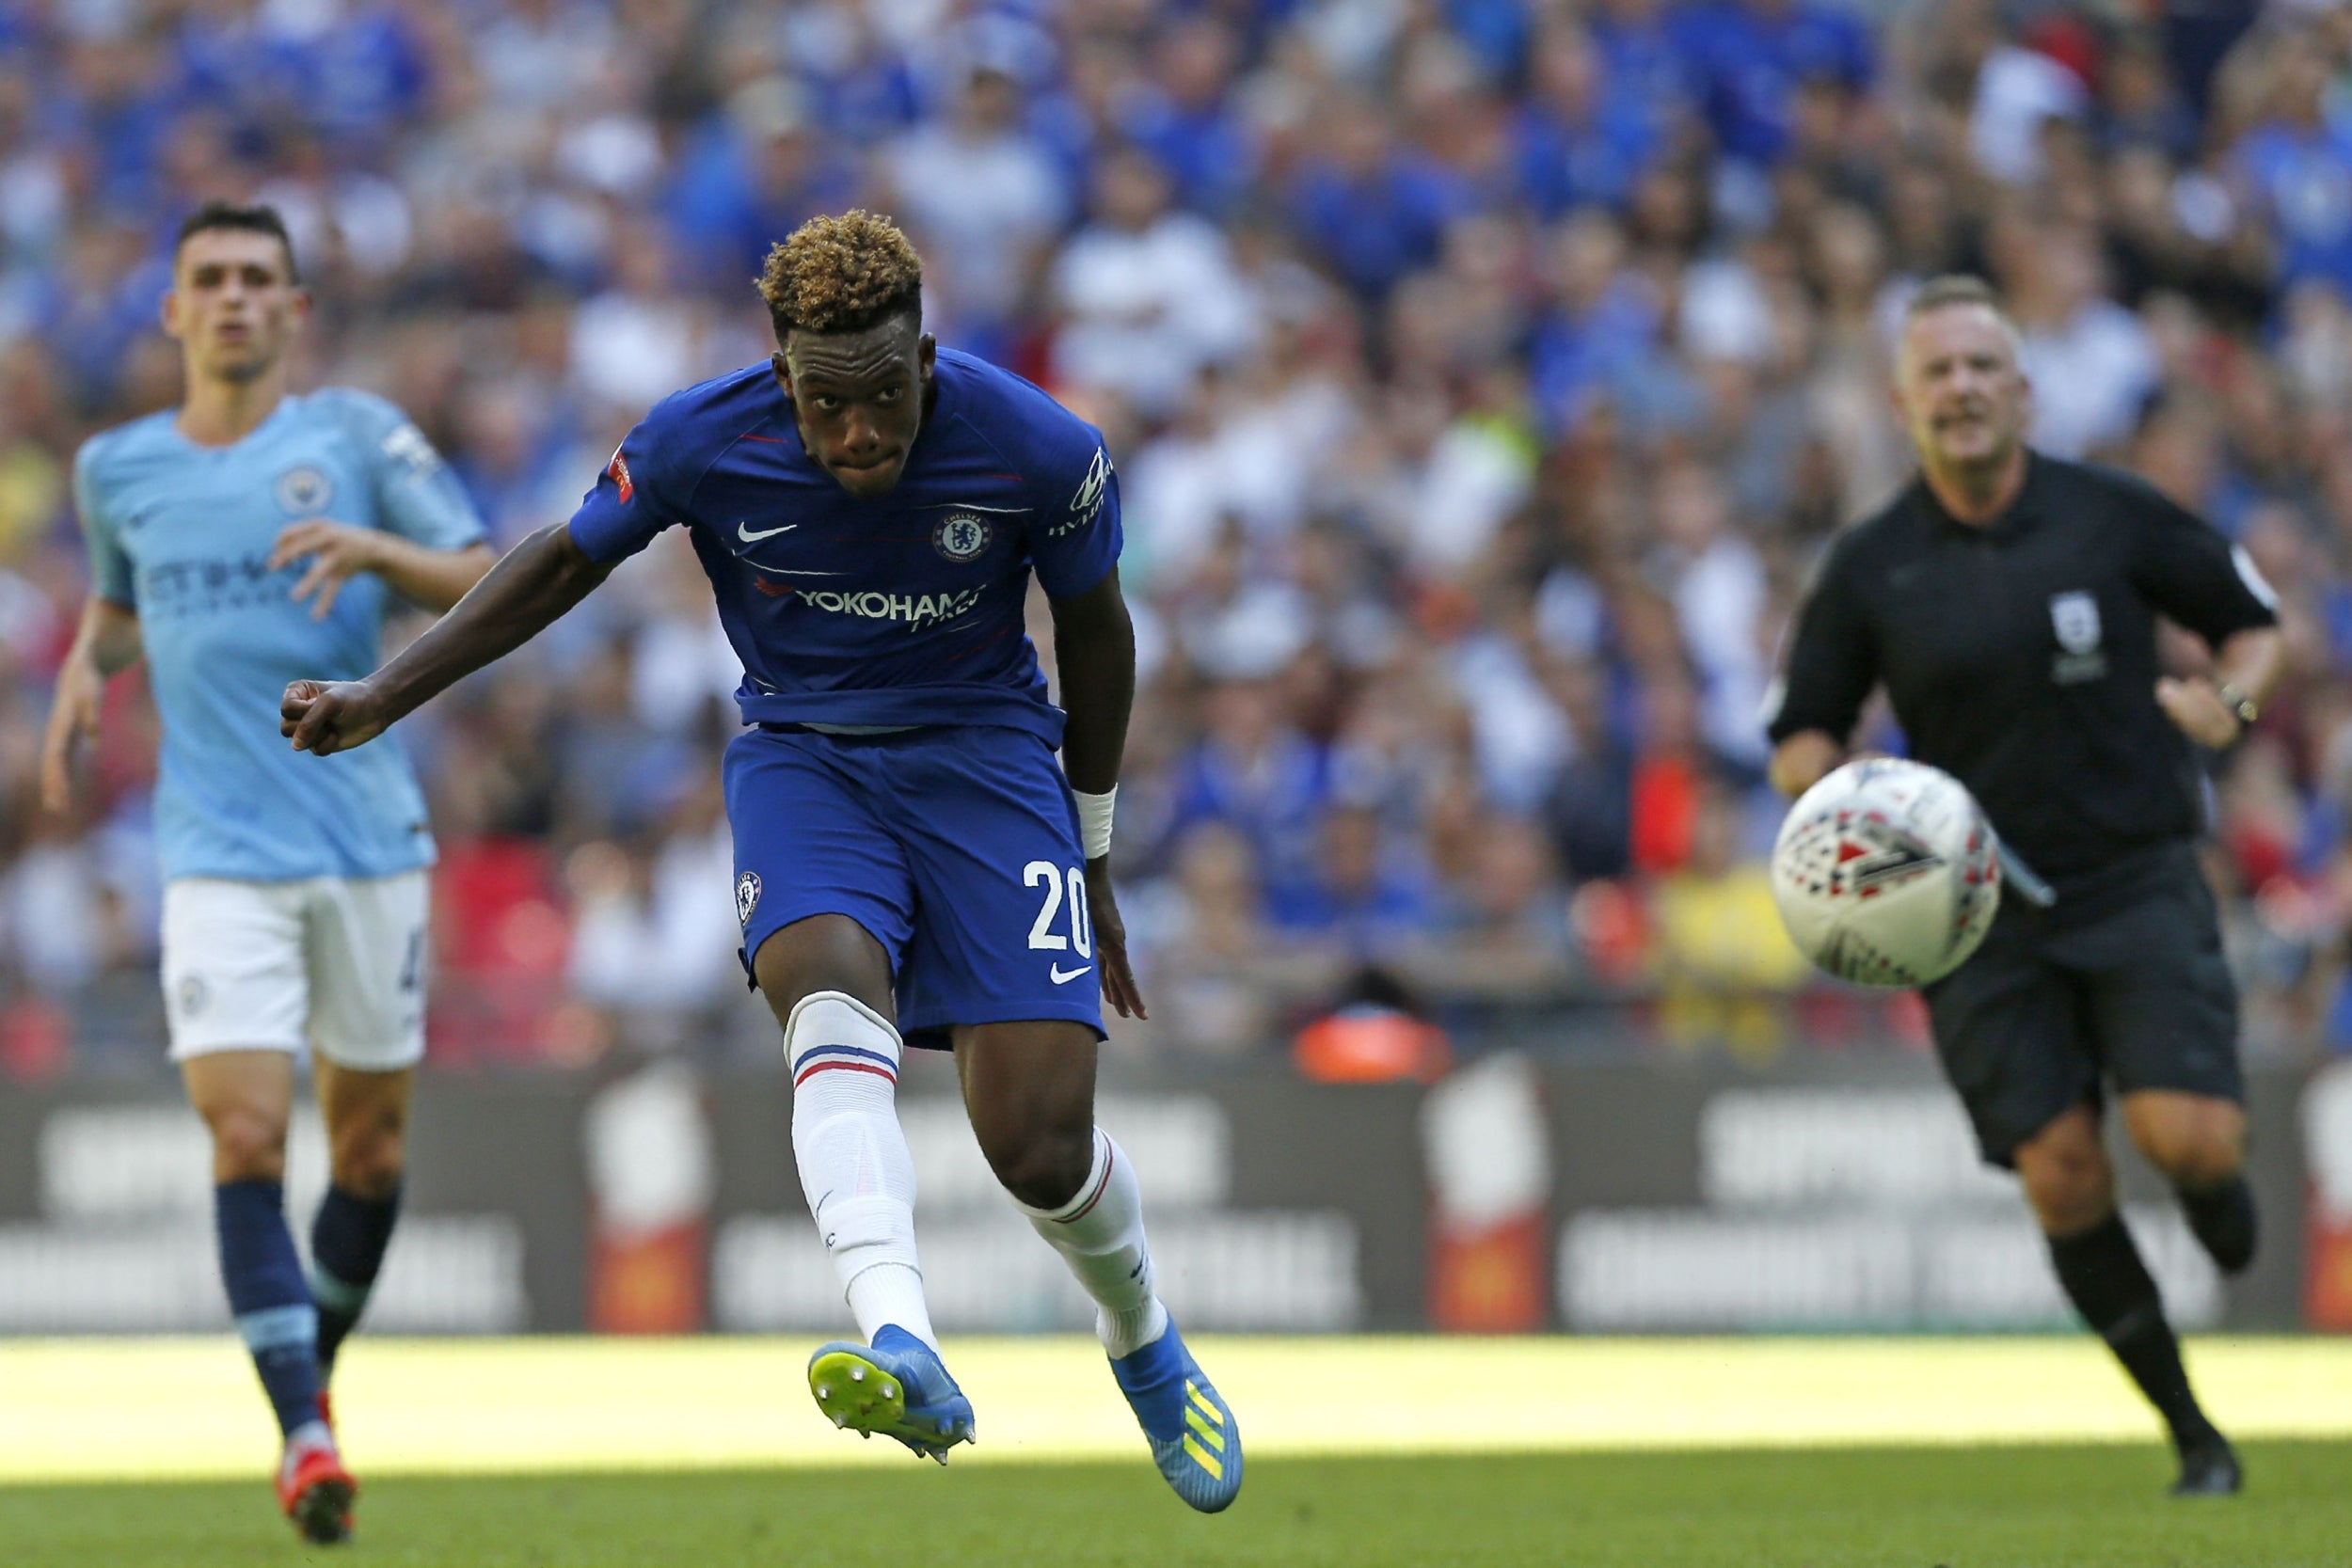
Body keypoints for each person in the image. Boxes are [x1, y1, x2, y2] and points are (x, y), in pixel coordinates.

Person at [278, 210, 1243, 1513]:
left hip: (990, 765)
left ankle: (1140, 1337)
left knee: (1038, 1144)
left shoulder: (1041, 449)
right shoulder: (696, 439)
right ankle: (902, 1335)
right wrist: (388, 693)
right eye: (827, 405)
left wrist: (1098, 854)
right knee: (824, 986)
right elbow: (564, 562)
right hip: (808, 759)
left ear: (929, 358)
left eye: (888, 396)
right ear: (782, 379)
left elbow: (1098, 634)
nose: (860, 434)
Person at [1767, 274, 2280, 1496]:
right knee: (2060, 1170)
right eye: (1935, 373)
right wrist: (1842, 797)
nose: (1960, 390)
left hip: (2131, 873)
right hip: (1967, 912)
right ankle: (2193, 1439)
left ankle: (2214, 1196)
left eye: (1980, 367)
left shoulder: (2112, 516)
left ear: (2023, 388)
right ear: (1903, 403)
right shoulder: (1872, 565)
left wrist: (2234, 703)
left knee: (2188, 1139)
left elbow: (2252, 625)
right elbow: (1800, 732)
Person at [42, 200, 494, 1543]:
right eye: (211, 280)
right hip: (214, 851)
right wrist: (83, 662)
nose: (235, 298)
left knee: (370, 1150)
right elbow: (129, 600)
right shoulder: (117, 468)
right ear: (175, 312)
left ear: (295, 311)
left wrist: (372, 551)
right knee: (244, 1132)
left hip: (364, 841)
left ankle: (310, 1377)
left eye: (259, 279)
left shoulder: (354, 440)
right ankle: (303, 1432)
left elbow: (480, 572)